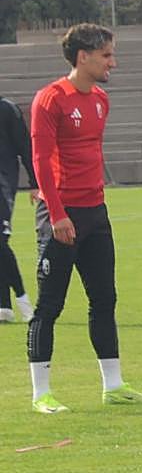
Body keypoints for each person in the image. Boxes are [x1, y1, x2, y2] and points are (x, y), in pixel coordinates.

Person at [26, 23, 142, 413]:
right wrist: (57, 214)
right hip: (60, 215)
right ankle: (41, 394)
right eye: (106, 56)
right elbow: (40, 162)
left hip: (95, 213)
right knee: (50, 304)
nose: (112, 63)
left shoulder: (100, 99)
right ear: (83, 57)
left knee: (104, 298)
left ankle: (113, 384)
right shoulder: (50, 100)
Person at [0, 96, 36, 323]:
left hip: (2, 183)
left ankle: (22, 298)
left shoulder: (7, 109)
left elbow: (25, 146)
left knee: (0, 242)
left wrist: (35, 182)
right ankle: (4, 306)